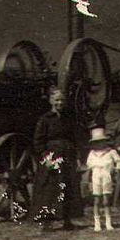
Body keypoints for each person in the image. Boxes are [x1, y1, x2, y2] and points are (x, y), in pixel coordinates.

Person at [32, 88, 79, 230]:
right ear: (51, 101)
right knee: (49, 189)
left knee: (67, 187)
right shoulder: (45, 119)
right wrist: (46, 157)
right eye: (57, 100)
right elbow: (38, 140)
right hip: (51, 156)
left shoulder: (68, 118)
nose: (59, 103)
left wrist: (76, 157)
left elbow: (73, 138)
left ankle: (67, 220)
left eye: (62, 100)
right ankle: (47, 222)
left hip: (67, 156)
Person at [85, 127, 120, 232]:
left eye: (101, 142)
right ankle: (97, 223)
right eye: (97, 142)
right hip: (96, 176)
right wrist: (89, 181)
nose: (99, 144)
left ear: (105, 142)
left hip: (107, 176)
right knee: (97, 200)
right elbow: (89, 167)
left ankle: (108, 222)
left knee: (106, 200)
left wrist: (116, 169)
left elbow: (119, 161)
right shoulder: (92, 153)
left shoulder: (111, 152)